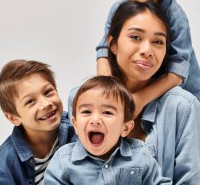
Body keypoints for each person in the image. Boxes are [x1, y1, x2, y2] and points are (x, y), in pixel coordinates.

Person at [70, 1, 200, 184]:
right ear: (113, 44)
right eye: (135, 37)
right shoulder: (79, 98)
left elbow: (189, 180)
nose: (147, 50)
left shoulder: (182, 107)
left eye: (158, 42)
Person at [96, 0, 200, 118]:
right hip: (140, 82)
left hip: (176, 89)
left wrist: (140, 99)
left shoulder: (175, 17)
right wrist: (108, 85)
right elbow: (104, 49)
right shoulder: (118, 9)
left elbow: (176, 73)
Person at [44, 76, 172, 185]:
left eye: (107, 112)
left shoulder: (140, 154)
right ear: (75, 125)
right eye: (86, 111)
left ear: (125, 128)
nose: (95, 120)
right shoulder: (64, 160)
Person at [0, 60, 76, 185]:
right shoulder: (0, 168)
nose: (46, 104)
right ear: (13, 118)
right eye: (30, 102)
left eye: (48, 92)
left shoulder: (79, 129)